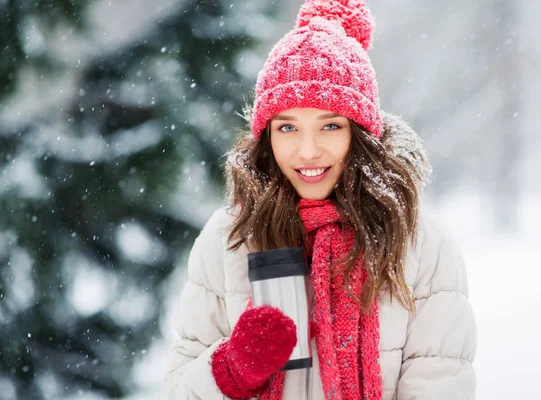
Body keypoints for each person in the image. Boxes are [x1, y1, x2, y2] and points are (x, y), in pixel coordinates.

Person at [165, 0, 477, 399]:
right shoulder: (229, 238)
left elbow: (440, 387)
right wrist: (231, 369)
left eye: (330, 125)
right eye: (288, 127)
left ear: (360, 134)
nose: (308, 151)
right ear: (267, 137)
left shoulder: (420, 244)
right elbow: (178, 386)